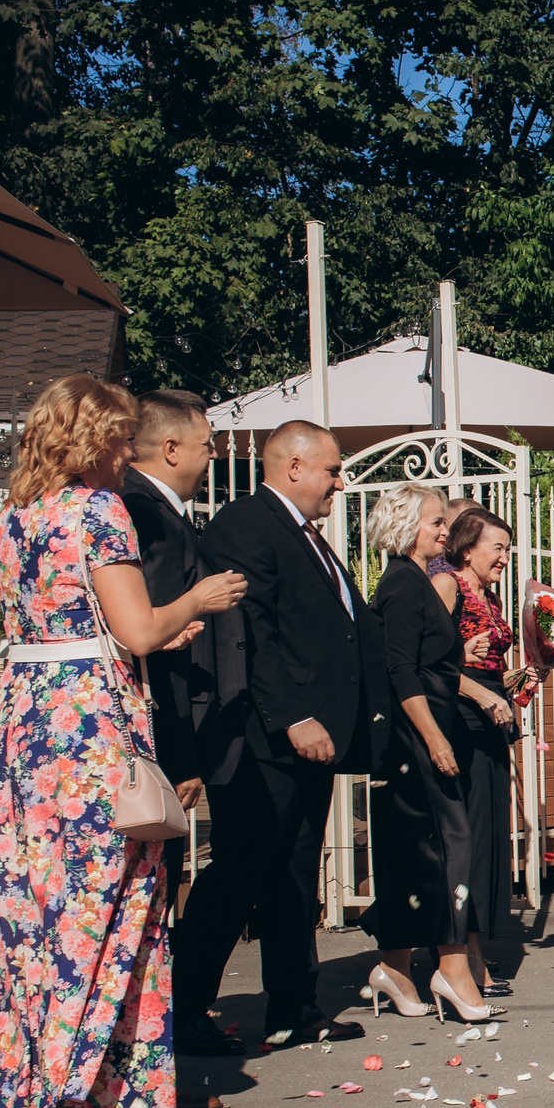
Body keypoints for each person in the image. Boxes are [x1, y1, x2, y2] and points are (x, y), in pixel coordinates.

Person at [0, 376, 244, 1108]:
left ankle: (29, 1079)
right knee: (119, 903)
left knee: (28, 906)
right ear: (97, 439)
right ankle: (130, 1092)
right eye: (120, 437)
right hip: (88, 733)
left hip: (23, 729)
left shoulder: (15, 517)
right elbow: (133, 627)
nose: (128, 452)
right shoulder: (99, 511)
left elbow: (64, 624)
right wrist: (194, 601)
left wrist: (146, 634)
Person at [177, 418, 387, 1049]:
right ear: (293, 466)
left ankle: (293, 1004)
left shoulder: (307, 535)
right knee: (242, 866)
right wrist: (293, 714)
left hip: (307, 735)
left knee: (294, 868)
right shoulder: (247, 525)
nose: (338, 482)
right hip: (266, 737)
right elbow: (251, 631)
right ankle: (183, 1009)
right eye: (331, 469)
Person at [116, 387, 241, 1056]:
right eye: (206, 442)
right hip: (161, 730)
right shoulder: (145, 514)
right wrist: (182, 756)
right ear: (170, 448)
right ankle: (162, 1030)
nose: (213, 453)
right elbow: (154, 645)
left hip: (173, 725)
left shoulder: (157, 511)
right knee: (154, 889)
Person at [359, 485, 494, 1021]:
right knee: (450, 846)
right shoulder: (402, 584)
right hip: (418, 738)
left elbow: (425, 656)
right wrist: (435, 739)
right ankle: (451, 966)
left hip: (428, 732)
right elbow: (399, 670)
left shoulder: (414, 580)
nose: (445, 531)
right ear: (404, 524)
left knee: (415, 854)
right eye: (435, 522)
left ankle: (394, 966)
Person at [431, 506, 526, 997]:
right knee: (467, 837)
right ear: (467, 549)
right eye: (498, 548)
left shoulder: (486, 594)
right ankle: (461, 958)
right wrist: (481, 691)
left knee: (489, 836)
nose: (505, 558)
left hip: (491, 715)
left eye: (507, 549)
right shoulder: (447, 585)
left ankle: (473, 951)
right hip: (464, 718)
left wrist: (514, 682)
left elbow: (489, 662)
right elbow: (430, 660)